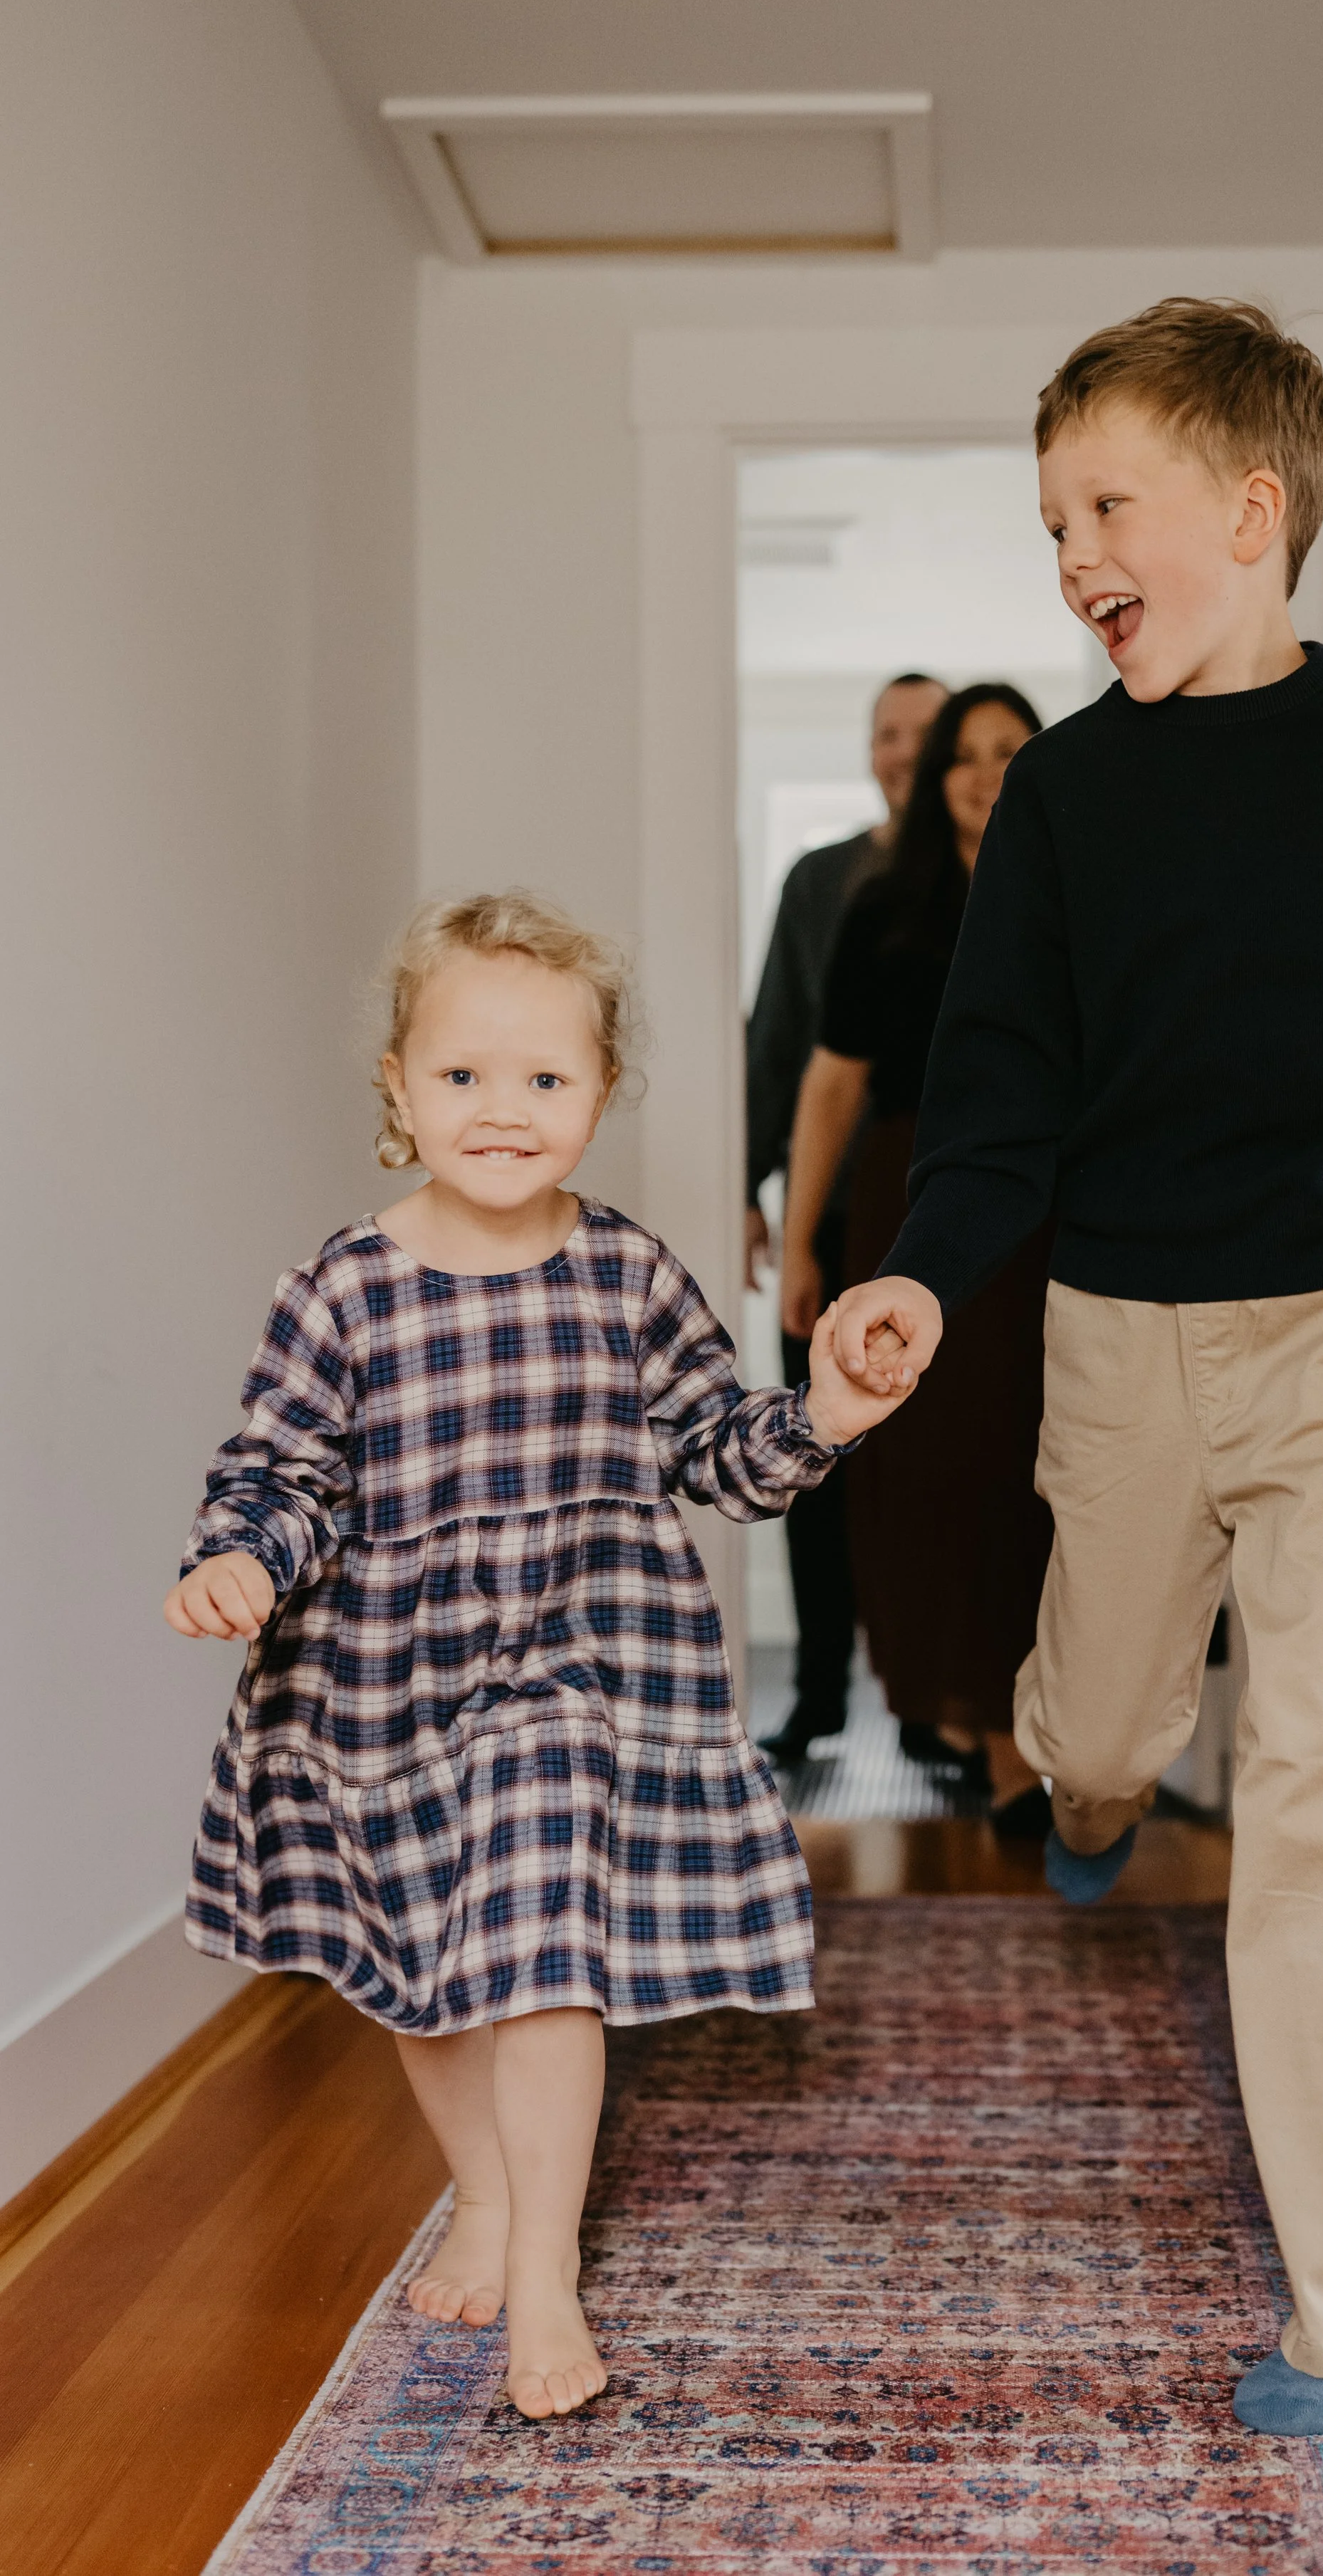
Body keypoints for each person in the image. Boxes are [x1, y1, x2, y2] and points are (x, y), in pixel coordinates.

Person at [831, 299, 1323, 2436]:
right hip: (1120, 1334)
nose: (1070, 555)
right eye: (1050, 524)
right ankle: (1088, 1783)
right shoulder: (1064, 795)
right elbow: (998, 1086)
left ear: (1252, 511)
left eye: (1105, 507)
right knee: (1096, 1720)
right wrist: (919, 1277)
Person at [165, 891, 906, 2421]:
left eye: (545, 1079)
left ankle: (547, 2263)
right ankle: (488, 2191)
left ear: (600, 1091)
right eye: (462, 1075)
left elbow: (716, 1450)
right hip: (382, 1685)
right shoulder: (342, 1288)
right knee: (422, 1976)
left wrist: (820, 1417)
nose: (502, 1110)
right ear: (398, 1084)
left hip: (579, 1664)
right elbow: (280, 1472)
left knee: (545, 1947)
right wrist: (241, 1558)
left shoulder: (629, 1276)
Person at [781, 686, 1053, 1828]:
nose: (986, 772)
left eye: (1010, 750)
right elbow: (831, 1083)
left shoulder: (1074, 891)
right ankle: (984, 1731)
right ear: (937, 776)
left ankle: (1027, 1730)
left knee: (1036, 1473)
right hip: (911, 1208)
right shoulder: (883, 906)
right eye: (966, 754)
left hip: (1051, 1215)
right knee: (940, 1476)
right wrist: (800, 1240)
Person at [745, 672, 947, 1766]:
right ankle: (820, 1690)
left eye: (928, 733)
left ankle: (928, 1705)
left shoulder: (998, 874)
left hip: (942, 1214)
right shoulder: (820, 880)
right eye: (888, 734)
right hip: (831, 1214)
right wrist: (752, 1190)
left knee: (931, 1467)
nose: (905, 751)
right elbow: (782, 1043)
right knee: (816, 1450)